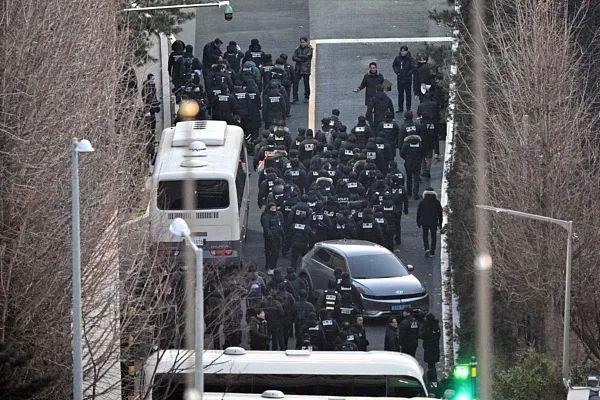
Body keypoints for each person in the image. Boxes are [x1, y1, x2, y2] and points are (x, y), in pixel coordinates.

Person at [416, 188, 443, 257]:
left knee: (425, 236)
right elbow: (440, 213)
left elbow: (419, 213)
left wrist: (418, 222)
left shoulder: (422, 202)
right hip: (434, 222)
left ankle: (426, 248)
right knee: (433, 237)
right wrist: (440, 223)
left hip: (424, 222)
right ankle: (432, 251)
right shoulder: (436, 202)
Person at [261, 202, 285, 273]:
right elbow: (266, 227)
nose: (274, 210)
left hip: (277, 237)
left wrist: (283, 235)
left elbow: (280, 225)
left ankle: (272, 266)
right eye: (272, 208)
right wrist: (270, 236)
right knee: (269, 252)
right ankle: (270, 267)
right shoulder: (266, 216)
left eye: (275, 208)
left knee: (276, 253)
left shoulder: (278, 215)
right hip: (270, 238)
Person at [399, 133, 424, 200]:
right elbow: (422, 154)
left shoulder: (406, 145)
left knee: (409, 178)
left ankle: (409, 193)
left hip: (408, 163)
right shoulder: (420, 145)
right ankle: (415, 194)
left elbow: (402, 154)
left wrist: (407, 159)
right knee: (416, 179)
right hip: (417, 164)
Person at [392, 45, 416, 113]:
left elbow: (413, 67)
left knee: (408, 94)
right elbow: (394, 65)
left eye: (404, 51)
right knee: (400, 94)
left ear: (407, 51)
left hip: (407, 79)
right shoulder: (397, 58)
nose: (403, 53)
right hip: (400, 79)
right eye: (402, 51)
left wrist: (408, 73)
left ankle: (408, 108)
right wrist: (397, 72)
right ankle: (400, 108)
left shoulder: (410, 59)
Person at [420, 313, 441, 383]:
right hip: (435, 349)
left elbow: (422, 335)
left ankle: (432, 380)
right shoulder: (436, 327)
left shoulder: (429, 328)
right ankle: (433, 380)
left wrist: (424, 325)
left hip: (430, 349)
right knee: (432, 365)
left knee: (431, 366)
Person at [292, 37, 313, 103]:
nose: (302, 44)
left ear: (307, 42)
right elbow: (293, 57)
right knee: (295, 83)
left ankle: (307, 97)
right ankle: (295, 98)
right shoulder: (297, 49)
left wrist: (299, 57)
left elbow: (308, 57)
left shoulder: (309, 49)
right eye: (301, 42)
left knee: (306, 83)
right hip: (298, 68)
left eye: (303, 42)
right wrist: (301, 59)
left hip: (306, 69)